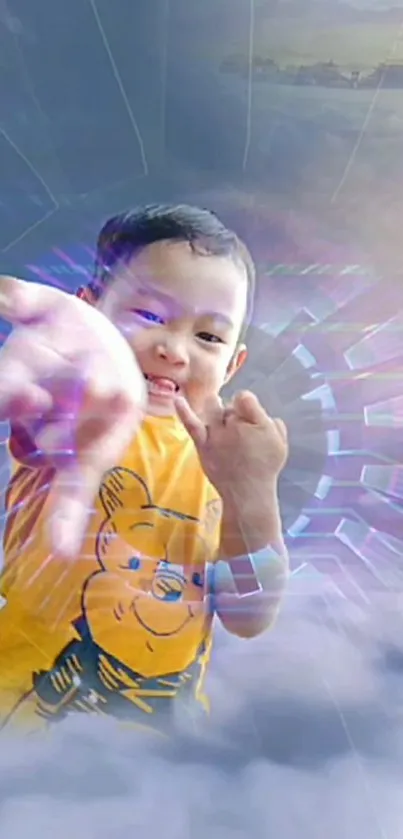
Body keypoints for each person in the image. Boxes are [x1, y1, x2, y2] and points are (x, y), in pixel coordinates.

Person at [0, 203, 288, 734]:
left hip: (158, 747)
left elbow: (249, 617)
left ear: (234, 363)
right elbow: (35, 422)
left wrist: (253, 495)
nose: (173, 349)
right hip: (27, 720)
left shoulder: (224, 461)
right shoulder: (80, 412)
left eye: (208, 337)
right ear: (87, 313)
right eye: (150, 316)